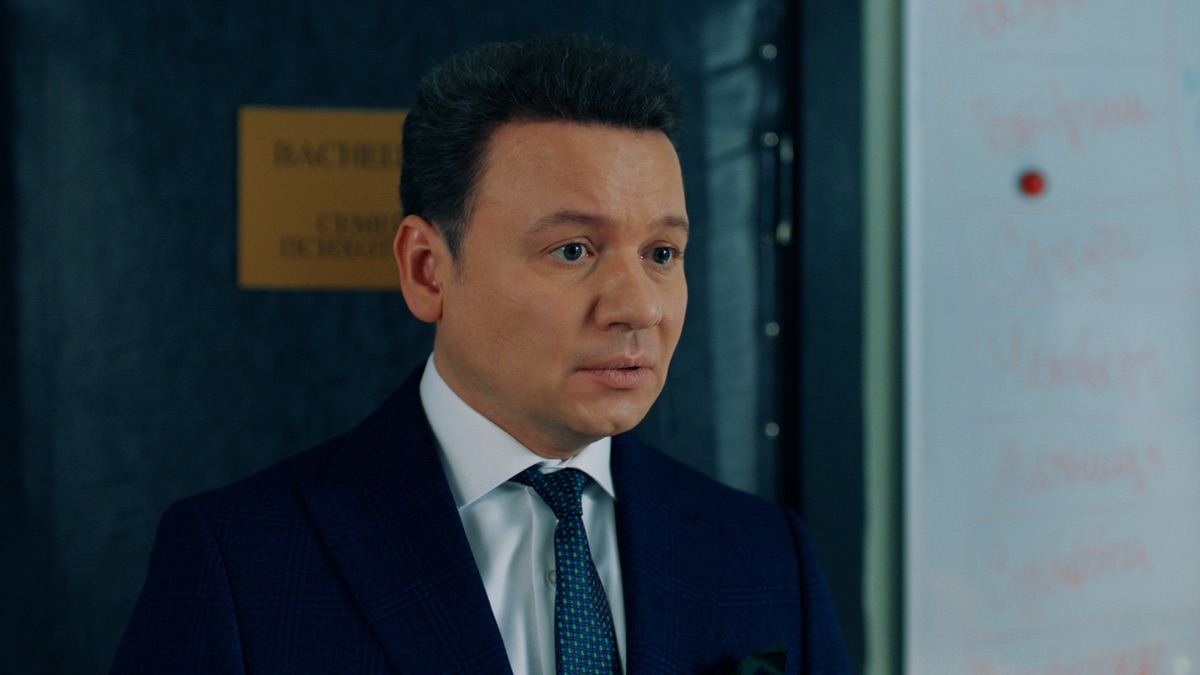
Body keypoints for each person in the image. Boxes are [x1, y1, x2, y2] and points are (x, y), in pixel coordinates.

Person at [111, 35, 851, 674]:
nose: (639, 307)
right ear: (428, 269)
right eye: (573, 249)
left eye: (662, 253)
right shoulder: (239, 563)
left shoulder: (765, 554)